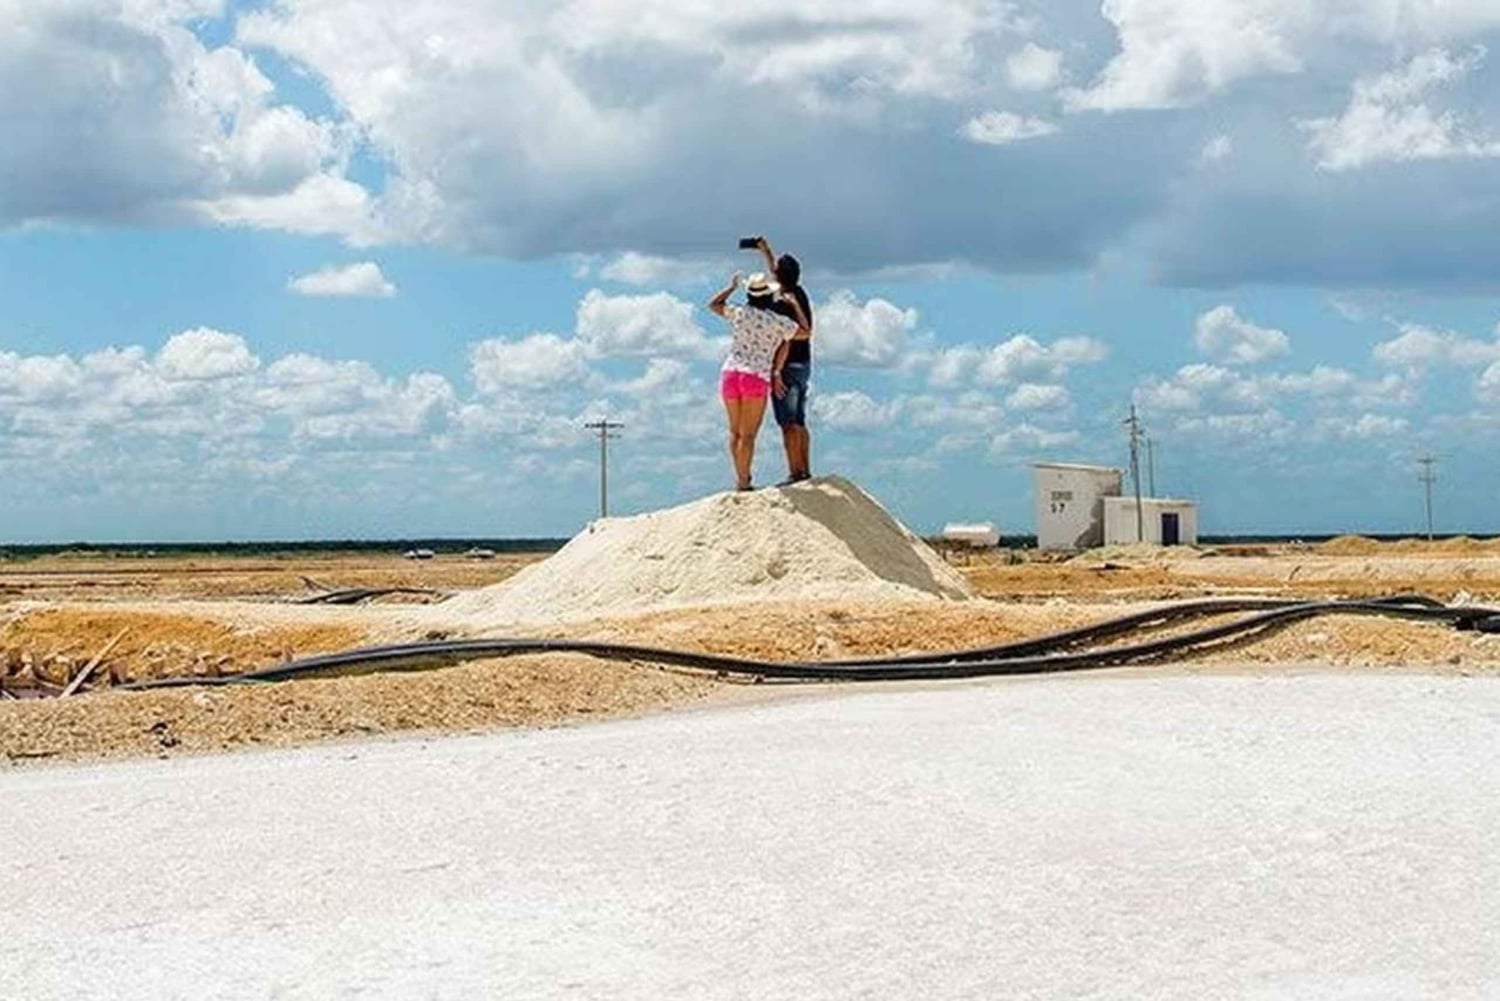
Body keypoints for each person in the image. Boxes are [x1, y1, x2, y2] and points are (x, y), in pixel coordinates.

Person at [708, 271, 807, 491]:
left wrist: (731, 287)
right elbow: (805, 333)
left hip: (731, 372)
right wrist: (795, 305)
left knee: (735, 432)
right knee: (748, 435)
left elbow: (714, 305)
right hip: (755, 375)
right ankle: (744, 482)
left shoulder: (739, 313)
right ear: (768, 296)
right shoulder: (777, 322)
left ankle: (742, 479)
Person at [753, 236, 814, 483]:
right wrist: (766, 251)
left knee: (787, 423)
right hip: (804, 365)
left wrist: (776, 371)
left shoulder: (782, 302)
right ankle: (805, 469)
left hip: (786, 365)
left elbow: (790, 337)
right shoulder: (798, 292)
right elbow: (776, 274)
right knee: (799, 420)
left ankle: (795, 473)